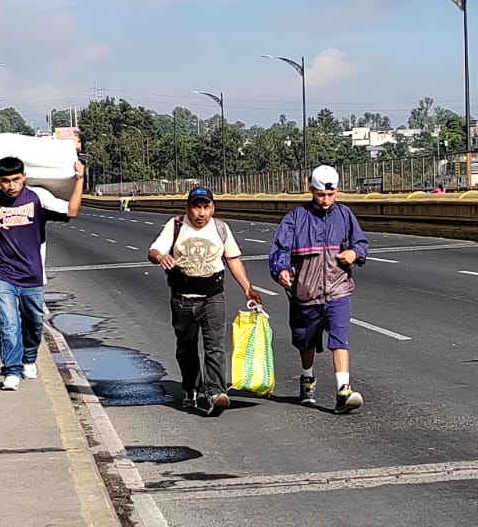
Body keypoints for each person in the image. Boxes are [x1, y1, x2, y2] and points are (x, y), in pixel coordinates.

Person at [147, 186, 260, 415]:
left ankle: (216, 392)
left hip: (212, 297)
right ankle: (190, 387)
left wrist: (248, 289)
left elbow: (233, 260)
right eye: (196, 207)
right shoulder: (176, 225)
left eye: (206, 207)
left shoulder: (221, 228)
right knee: (186, 348)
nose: (201, 213)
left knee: (215, 347)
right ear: (188, 208)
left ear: (213, 207)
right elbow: (154, 250)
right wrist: (161, 256)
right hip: (182, 299)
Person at [269, 164, 369, 412]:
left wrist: (354, 253)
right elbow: (280, 250)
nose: (326, 200)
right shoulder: (295, 218)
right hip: (305, 294)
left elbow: (361, 244)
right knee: (306, 342)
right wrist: (281, 270)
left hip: (338, 290)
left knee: (339, 338)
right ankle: (307, 378)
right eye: (320, 195)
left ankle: (343, 390)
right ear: (310, 189)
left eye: (330, 195)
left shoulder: (345, 215)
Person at [0, 154, 85, 390]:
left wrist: (80, 179)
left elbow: (71, 211)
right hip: (2, 274)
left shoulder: (38, 197)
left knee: (34, 323)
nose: (11, 185)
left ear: (24, 177)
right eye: (5, 181)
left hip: (32, 276)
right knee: (8, 324)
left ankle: (29, 359)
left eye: (16, 179)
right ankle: (11, 370)